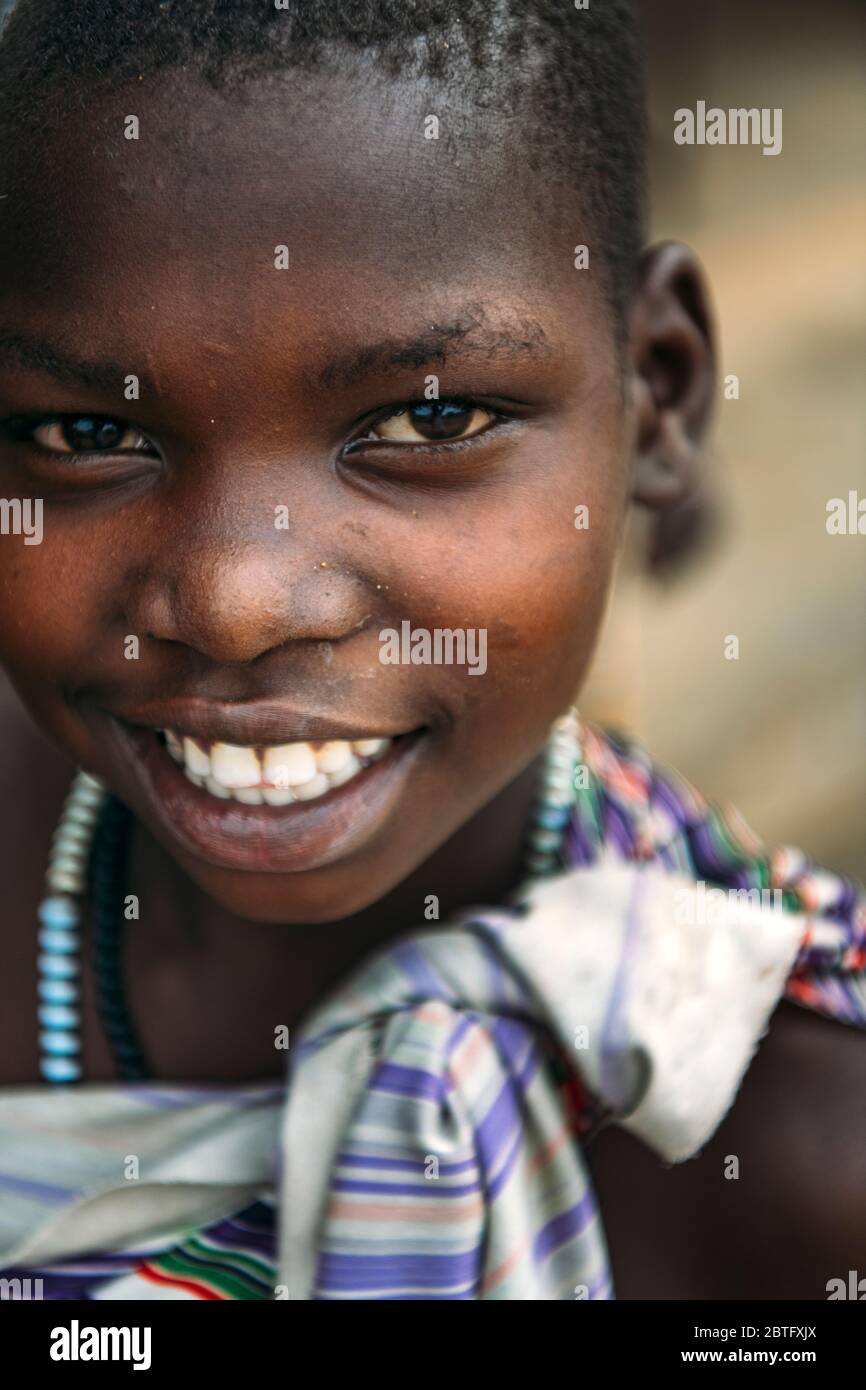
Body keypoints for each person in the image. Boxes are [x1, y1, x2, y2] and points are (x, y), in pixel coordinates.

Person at [0, 0, 862, 1301]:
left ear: (662, 389)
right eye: (82, 437)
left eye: (431, 415)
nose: (237, 604)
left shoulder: (797, 1146)